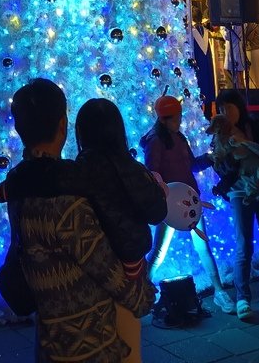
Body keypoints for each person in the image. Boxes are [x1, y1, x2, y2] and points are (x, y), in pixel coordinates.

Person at [0, 78, 155, 363]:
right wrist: (143, 296)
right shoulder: (66, 202)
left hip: (50, 339)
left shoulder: (18, 183)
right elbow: (106, 270)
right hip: (89, 345)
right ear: (62, 125)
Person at [75, 98, 167, 363]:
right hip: (129, 268)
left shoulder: (78, 170)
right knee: (128, 344)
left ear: (82, 132)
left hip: (93, 269)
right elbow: (156, 212)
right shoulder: (133, 169)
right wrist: (158, 192)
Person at [140, 94, 235, 314]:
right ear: (164, 119)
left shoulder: (179, 138)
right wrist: (166, 196)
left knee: (203, 245)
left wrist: (210, 158)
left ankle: (219, 291)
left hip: (190, 199)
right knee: (159, 249)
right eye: (177, 117)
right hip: (171, 205)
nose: (180, 121)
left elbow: (190, 165)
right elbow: (152, 173)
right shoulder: (155, 141)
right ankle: (142, 288)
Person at [214, 88, 259, 320]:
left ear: (238, 107)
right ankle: (242, 297)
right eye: (221, 109)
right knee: (244, 244)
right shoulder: (220, 136)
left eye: (228, 107)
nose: (225, 112)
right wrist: (229, 155)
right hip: (238, 193)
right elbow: (221, 168)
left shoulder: (254, 126)